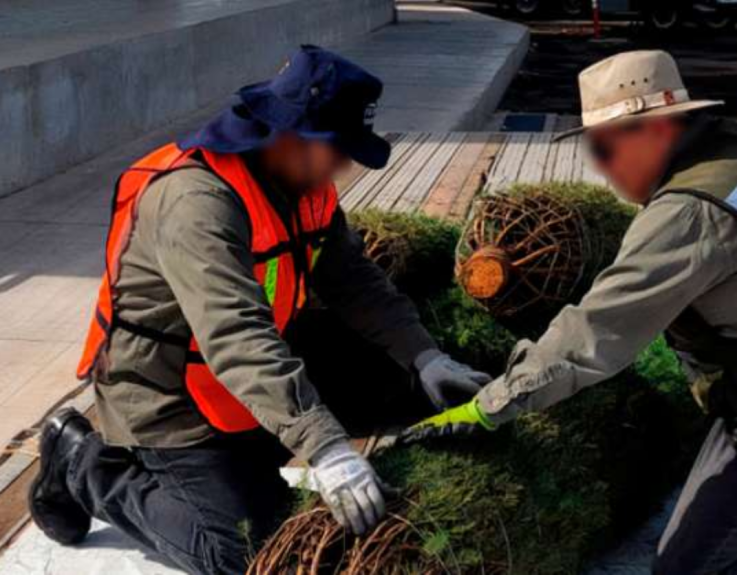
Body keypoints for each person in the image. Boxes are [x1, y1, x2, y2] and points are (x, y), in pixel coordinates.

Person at [407, 50, 737, 574]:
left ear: (659, 128)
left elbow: (594, 334)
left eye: (603, 150)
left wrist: (490, 406)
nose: (599, 169)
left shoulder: (691, 215)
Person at [28, 46, 490, 575]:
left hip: (253, 375)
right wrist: (327, 448)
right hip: (170, 399)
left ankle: (254, 454)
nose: (344, 165)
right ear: (290, 134)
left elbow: (354, 281)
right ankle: (86, 465)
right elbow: (236, 335)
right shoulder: (196, 201)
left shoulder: (303, 184)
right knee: (244, 551)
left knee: (419, 388)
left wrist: (423, 356)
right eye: (337, 149)